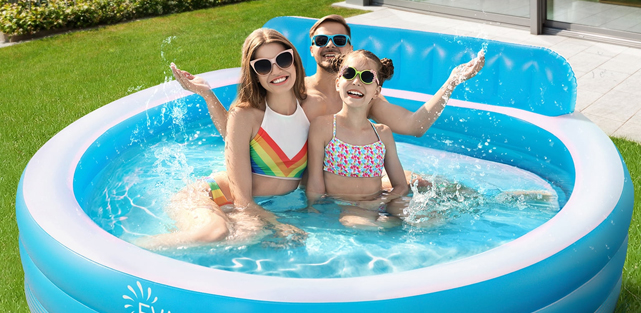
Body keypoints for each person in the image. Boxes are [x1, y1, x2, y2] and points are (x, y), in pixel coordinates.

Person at [138, 28, 311, 248]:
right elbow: (242, 198)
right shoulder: (246, 114)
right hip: (211, 196)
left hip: (246, 204)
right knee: (216, 233)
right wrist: (277, 224)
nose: (276, 71)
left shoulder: (309, 108)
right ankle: (130, 250)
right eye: (264, 66)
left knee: (251, 236)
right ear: (255, 74)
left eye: (283, 59)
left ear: (294, 59)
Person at [305, 15, 485, 136]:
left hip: (349, 180)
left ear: (350, 48)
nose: (330, 45)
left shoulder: (365, 98)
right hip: (309, 184)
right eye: (321, 41)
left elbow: (414, 126)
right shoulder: (298, 91)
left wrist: (451, 82)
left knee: (419, 181)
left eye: (339, 40)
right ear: (312, 49)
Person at [306, 50, 410, 229]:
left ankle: (386, 222)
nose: (356, 81)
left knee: (427, 220)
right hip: (342, 208)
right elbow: (315, 182)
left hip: (377, 202)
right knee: (358, 224)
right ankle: (387, 224)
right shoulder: (323, 127)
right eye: (349, 73)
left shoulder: (382, 133)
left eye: (367, 77)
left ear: (376, 91)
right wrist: (313, 211)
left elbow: (400, 186)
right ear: (338, 82)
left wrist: (379, 202)